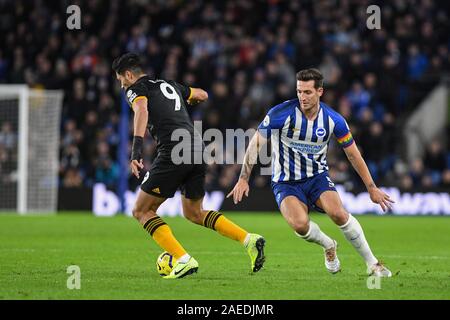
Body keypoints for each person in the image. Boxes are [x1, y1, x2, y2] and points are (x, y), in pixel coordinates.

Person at [112, 53, 265, 279]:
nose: (121, 84)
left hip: (173, 151)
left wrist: (135, 150)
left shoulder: (134, 89)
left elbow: (142, 110)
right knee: (194, 213)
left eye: (120, 79)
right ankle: (248, 240)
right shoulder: (169, 85)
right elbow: (202, 94)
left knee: (141, 210)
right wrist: (189, 99)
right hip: (196, 148)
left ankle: (183, 260)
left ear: (128, 74)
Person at [228, 68, 393, 277]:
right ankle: (328, 245)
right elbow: (255, 144)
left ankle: (373, 264)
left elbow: (353, 155)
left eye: (307, 92)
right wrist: (244, 178)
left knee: (339, 213)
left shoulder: (334, 120)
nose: (302, 97)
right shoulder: (281, 114)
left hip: (317, 177)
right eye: (299, 91)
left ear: (320, 92)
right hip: (285, 182)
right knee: (300, 225)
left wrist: (371, 187)